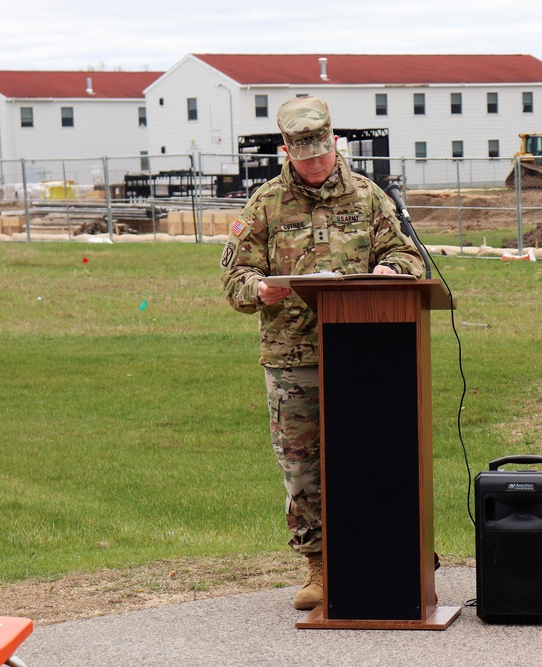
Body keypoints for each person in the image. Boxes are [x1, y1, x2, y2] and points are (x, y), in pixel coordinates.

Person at [219, 96, 424, 611]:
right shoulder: (265, 204)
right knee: (303, 467)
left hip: (367, 353)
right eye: (303, 157)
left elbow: (406, 254)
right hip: (294, 359)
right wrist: (258, 290)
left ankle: (386, 554)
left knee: (375, 456)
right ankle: (320, 566)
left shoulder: (369, 197)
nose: (315, 165)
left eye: (322, 154)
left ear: (334, 143)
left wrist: (391, 271)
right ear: (287, 151)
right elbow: (234, 279)